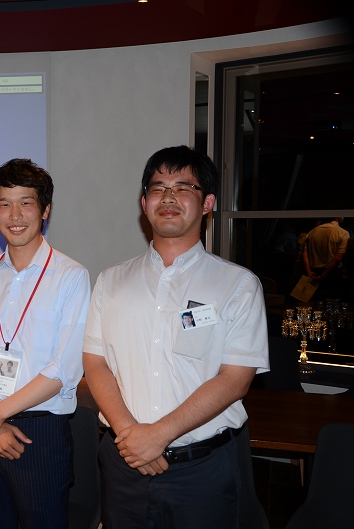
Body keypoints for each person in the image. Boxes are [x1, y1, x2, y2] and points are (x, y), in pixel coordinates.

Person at [83, 145, 269, 529]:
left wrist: (158, 435)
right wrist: (132, 436)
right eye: (158, 188)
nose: (168, 197)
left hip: (203, 472)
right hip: (123, 467)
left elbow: (236, 379)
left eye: (184, 187)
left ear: (207, 203)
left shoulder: (237, 284)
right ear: (144, 203)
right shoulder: (111, 280)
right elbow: (95, 363)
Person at [0, 158, 91, 528]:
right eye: (4, 204)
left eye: (26, 203)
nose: (14, 215)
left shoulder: (71, 277)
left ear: (45, 210)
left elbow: (64, 369)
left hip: (39, 436)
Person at [302, 213, 349, 300]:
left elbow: (305, 255)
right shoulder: (343, 233)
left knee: (315, 302)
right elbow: (338, 258)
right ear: (337, 216)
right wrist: (323, 276)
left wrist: (309, 273)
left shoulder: (312, 232)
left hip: (313, 272)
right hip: (332, 274)